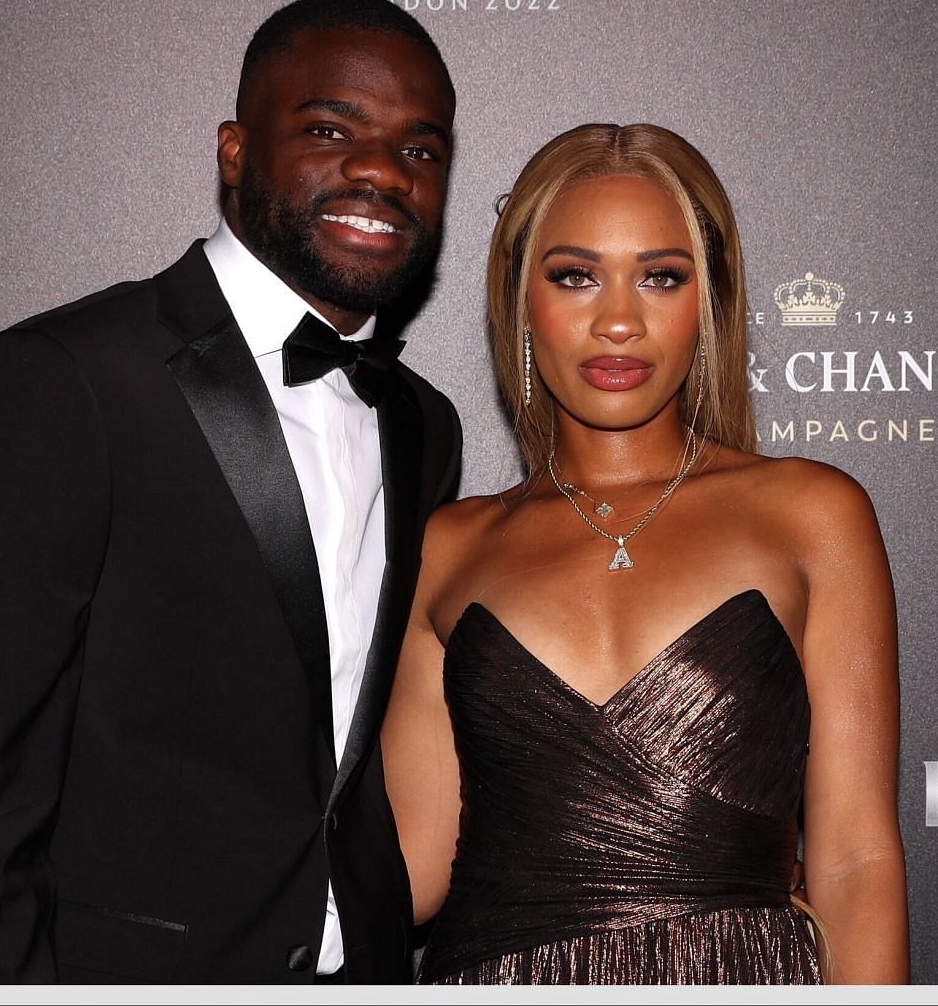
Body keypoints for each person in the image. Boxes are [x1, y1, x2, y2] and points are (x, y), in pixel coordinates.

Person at [0, 0, 462, 984]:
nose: (381, 171)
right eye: (331, 130)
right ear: (235, 152)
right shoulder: (61, 383)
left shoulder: (422, 423)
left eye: (422, 150)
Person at [382, 123, 908, 984]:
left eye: (661, 277)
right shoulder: (450, 545)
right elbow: (409, 868)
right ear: (520, 297)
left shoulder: (812, 514)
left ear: (710, 302)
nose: (619, 320)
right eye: (576, 276)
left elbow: (856, 860)